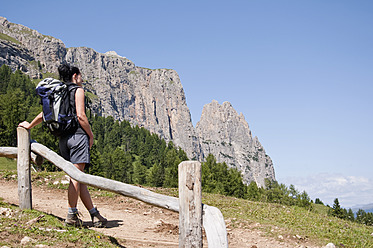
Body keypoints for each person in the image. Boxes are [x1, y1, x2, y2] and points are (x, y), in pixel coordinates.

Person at [18, 64, 107, 227]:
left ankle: (94, 214)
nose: (81, 78)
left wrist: (29, 125)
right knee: (76, 177)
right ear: (74, 76)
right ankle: (72, 215)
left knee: (79, 178)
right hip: (78, 136)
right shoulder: (77, 90)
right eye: (80, 75)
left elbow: (45, 113)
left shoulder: (57, 91)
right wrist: (90, 135)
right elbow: (81, 116)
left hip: (63, 139)